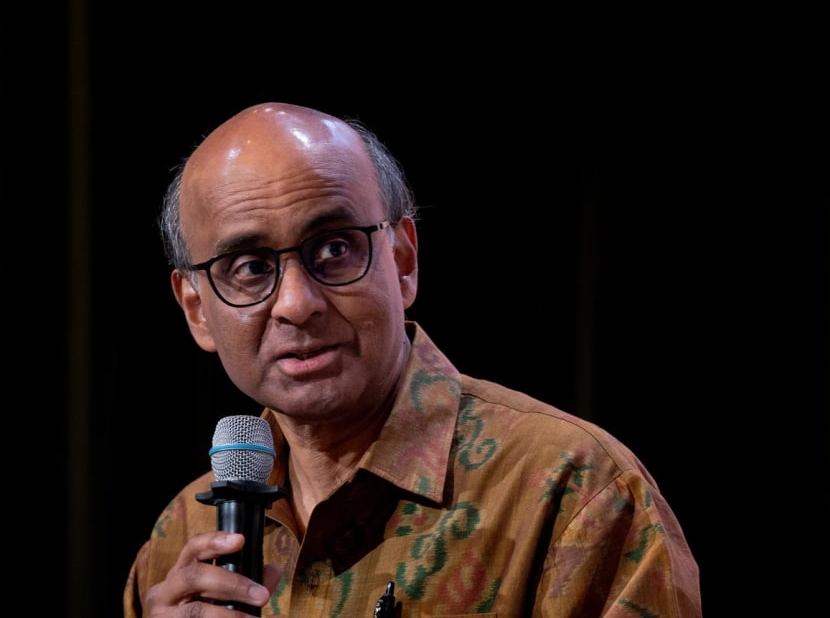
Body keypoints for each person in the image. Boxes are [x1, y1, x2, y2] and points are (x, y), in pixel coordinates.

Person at [123, 101, 702, 617]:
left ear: (401, 261)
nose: (297, 304)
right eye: (250, 268)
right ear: (197, 309)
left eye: (334, 248)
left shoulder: (573, 492)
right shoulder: (180, 540)